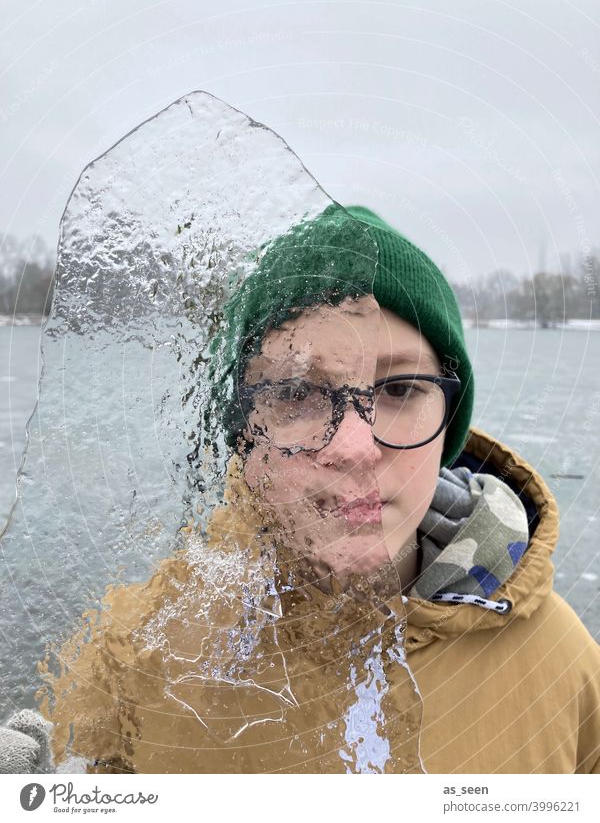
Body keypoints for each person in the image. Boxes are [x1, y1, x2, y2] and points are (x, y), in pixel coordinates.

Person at [5, 204, 600, 774]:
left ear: (449, 418)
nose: (355, 447)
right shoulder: (148, 648)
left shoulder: (560, 664)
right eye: (296, 394)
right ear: (243, 434)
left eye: (399, 390)